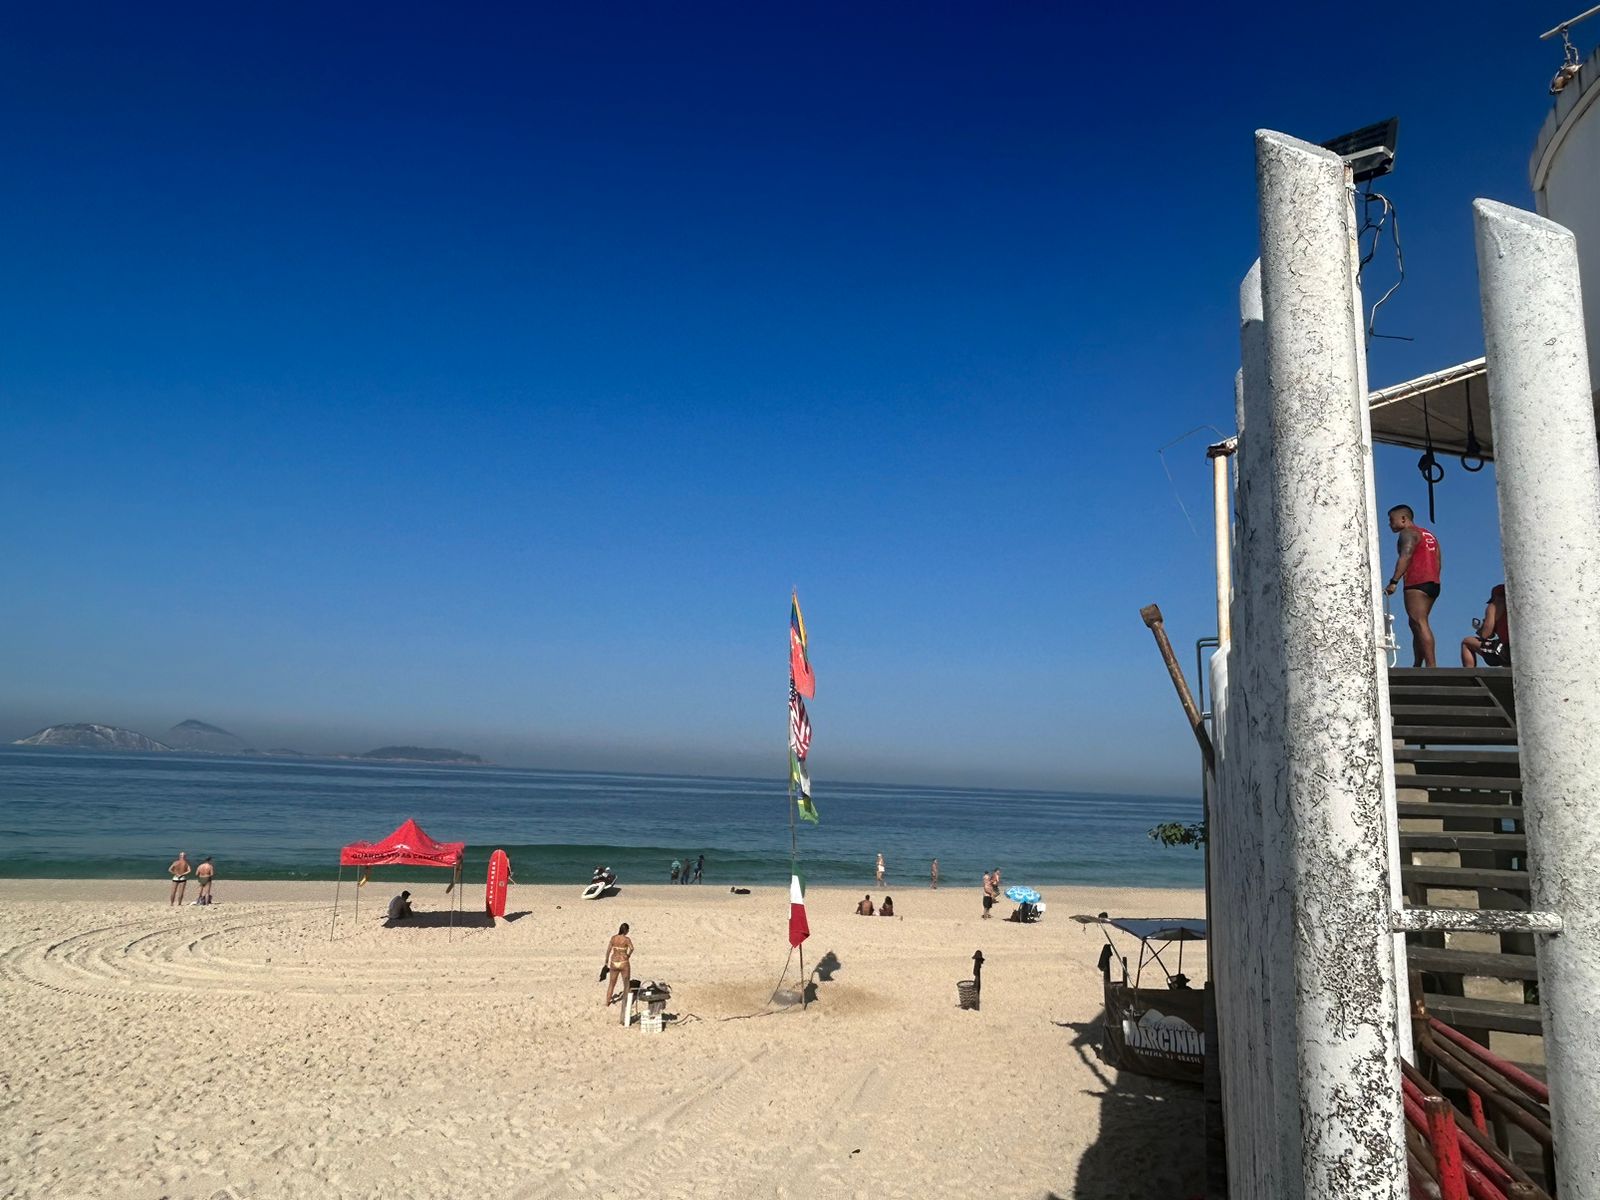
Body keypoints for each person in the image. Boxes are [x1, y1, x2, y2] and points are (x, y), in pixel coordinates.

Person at [1386, 505, 1443, 668]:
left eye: (1392, 520)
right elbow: (1438, 559)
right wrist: (1434, 577)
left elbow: (1406, 555)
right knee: (1415, 623)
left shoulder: (1408, 533)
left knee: (1419, 621)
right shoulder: (1429, 534)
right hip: (1433, 582)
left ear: (1403, 519)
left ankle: (1431, 666)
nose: (1390, 524)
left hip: (1417, 582)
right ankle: (1418, 663)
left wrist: (1394, 581)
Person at [1461, 583, 1512, 668]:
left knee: (1466, 642)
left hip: (1506, 650)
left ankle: (1469, 674)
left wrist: (1482, 629)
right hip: (1524, 649)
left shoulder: (1494, 605)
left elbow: (1486, 634)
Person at [603, 923, 633, 1007]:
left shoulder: (613, 938)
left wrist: (606, 961)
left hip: (614, 962)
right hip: (623, 962)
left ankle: (607, 1002)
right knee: (626, 984)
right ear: (626, 931)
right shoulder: (626, 939)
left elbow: (608, 950)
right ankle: (626, 1003)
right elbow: (632, 948)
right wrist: (628, 955)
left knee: (611, 984)